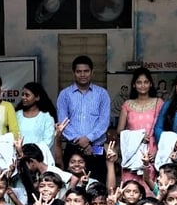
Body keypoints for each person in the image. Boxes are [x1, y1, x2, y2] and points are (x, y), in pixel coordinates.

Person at [57, 55, 111, 183]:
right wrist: (82, 142)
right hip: (73, 147)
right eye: (79, 71)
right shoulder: (64, 94)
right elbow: (63, 122)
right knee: (72, 185)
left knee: (97, 185)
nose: (82, 74)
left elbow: (104, 122)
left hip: (97, 148)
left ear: (92, 72)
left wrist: (88, 139)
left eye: (86, 71)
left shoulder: (102, 94)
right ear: (74, 73)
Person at [116, 68, 164, 188]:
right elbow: (119, 131)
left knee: (151, 190)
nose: (142, 85)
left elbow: (165, 130)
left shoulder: (159, 103)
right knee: (130, 191)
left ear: (151, 84)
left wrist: (157, 151)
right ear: (134, 85)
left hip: (152, 152)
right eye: (139, 82)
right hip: (132, 153)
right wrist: (138, 136)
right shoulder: (127, 105)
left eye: (146, 82)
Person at [15, 82, 58, 150]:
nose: (23, 97)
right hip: (18, 154)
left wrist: (32, 153)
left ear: (37, 97)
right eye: (22, 94)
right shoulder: (17, 115)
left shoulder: (46, 117)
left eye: (27, 95)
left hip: (39, 155)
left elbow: (48, 141)